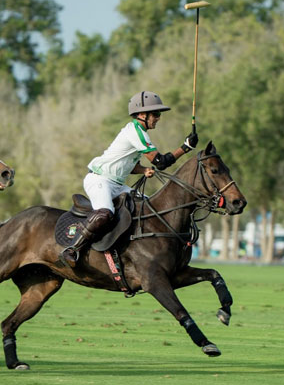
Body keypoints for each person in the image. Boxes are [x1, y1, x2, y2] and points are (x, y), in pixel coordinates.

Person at [60, 90, 199, 267]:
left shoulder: (137, 132)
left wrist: (142, 170)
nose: (158, 118)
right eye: (155, 114)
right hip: (99, 180)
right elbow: (161, 161)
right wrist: (185, 147)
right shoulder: (136, 131)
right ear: (142, 114)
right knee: (105, 213)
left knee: (148, 208)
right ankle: (73, 249)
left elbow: (126, 163)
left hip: (117, 184)